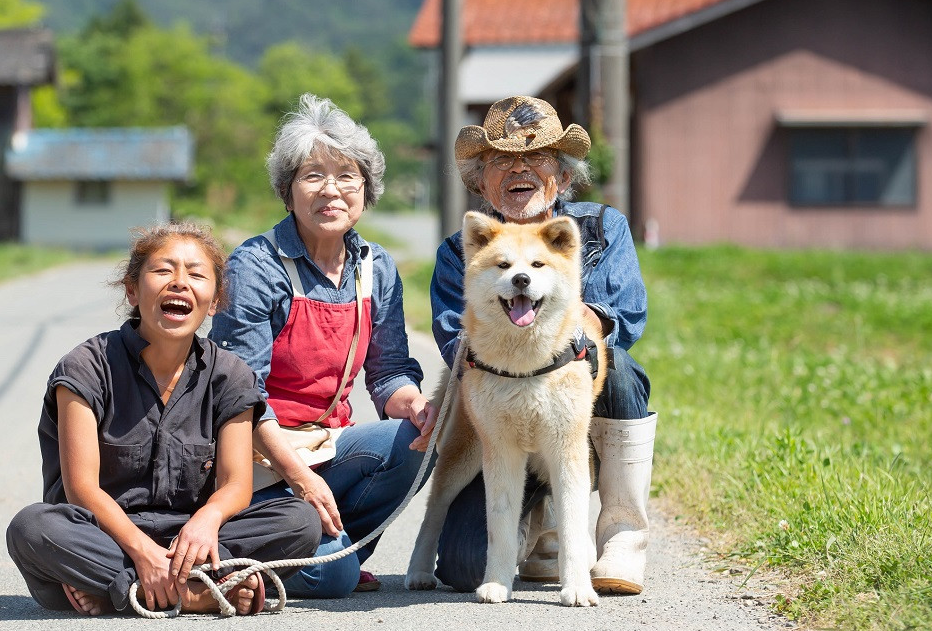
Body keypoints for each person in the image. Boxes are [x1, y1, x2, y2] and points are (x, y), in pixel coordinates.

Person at [6, 222, 321, 616]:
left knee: (299, 520)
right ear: (133, 290)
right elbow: (81, 489)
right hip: (103, 539)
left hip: (194, 543)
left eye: (196, 273)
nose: (179, 282)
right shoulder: (86, 366)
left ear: (217, 299)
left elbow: (236, 485)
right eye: (163, 270)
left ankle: (124, 594)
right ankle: (195, 594)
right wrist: (141, 552)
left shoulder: (232, 375)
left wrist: (207, 519)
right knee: (32, 527)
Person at [209, 93, 437, 598]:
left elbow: (389, 373)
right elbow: (236, 397)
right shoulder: (256, 266)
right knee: (334, 578)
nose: (330, 189)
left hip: (325, 445)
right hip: (257, 459)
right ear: (288, 193)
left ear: (365, 189)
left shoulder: (376, 268)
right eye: (312, 175)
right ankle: (270, 554)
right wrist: (300, 479)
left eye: (346, 176)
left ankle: (340, 549)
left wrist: (419, 408)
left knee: (419, 442)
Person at [430, 95, 657, 595]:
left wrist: (574, 331)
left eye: (537, 157)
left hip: (578, 399)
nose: (520, 170)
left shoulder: (596, 228)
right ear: (480, 179)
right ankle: (540, 529)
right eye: (502, 161)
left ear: (563, 172)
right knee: (465, 567)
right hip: (501, 398)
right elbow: (455, 336)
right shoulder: (464, 248)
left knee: (616, 366)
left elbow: (627, 315)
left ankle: (622, 537)